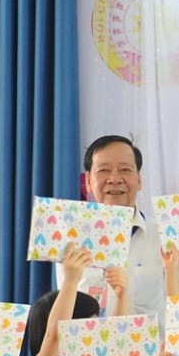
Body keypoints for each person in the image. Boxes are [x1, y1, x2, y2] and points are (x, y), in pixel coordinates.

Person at [72, 134, 164, 317]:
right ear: (88, 181)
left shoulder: (164, 237)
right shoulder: (71, 239)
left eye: (125, 170)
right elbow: (67, 313)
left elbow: (178, 307)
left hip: (149, 337)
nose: (114, 179)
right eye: (104, 170)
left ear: (139, 180)